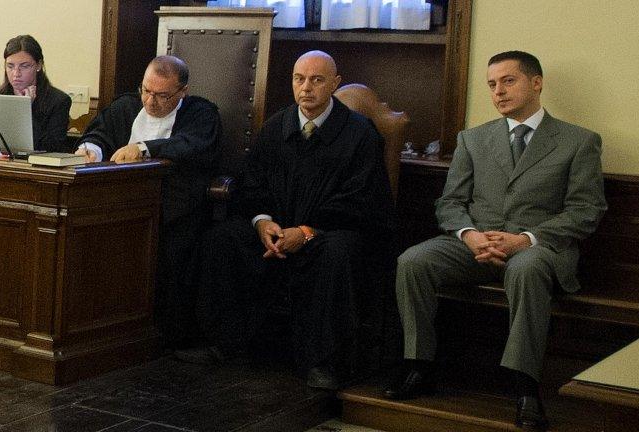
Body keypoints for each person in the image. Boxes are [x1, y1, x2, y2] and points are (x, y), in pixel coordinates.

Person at [383, 51, 607, 431]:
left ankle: (525, 387)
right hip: (476, 243)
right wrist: (469, 236)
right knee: (412, 261)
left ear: (536, 83)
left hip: (539, 249)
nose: (498, 92)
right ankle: (419, 365)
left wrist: (526, 239)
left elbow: (586, 209)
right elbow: (450, 202)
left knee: (527, 267)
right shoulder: (473, 139)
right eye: (491, 84)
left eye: (508, 81)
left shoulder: (578, 141)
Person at [174, 50, 394, 390]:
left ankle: (323, 362)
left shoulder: (359, 134)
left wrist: (305, 232)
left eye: (317, 80)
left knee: (338, 253)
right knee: (223, 239)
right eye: (299, 79)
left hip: (327, 233)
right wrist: (263, 223)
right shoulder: (277, 126)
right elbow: (252, 185)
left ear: (334, 84)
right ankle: (222, 342)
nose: (306, 88)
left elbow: (363, 200)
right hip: (276, 232)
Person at [75, 55, 222, 346]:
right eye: (146, 90)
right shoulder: (127, 105)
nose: (150, 101)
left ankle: (163, 335)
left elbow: (190, 146)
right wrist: (89, 148)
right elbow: (98, 133)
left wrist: (144, 148)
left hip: (173, 208)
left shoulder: (201, 113)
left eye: (162, 95)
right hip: (118, 205)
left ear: (182, 92)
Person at [0, 35, 71, 152]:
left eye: (24, 66)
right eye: (10, 66)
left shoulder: (58, 101)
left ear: (38, 65)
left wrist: (25, 110)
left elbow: (52, 148)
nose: (16, 73)